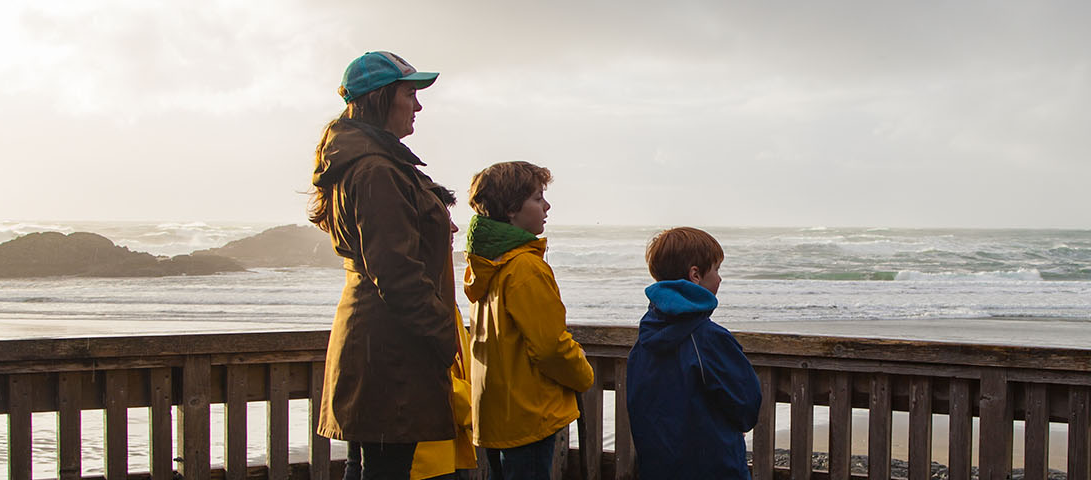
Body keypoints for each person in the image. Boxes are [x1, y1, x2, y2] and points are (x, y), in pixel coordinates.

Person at [309, 51, 472, 480]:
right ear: (381, 98)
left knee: (370, 465)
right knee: (386, 469)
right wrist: (444, 335)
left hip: (377, 338)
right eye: (409, 93)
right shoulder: (377, 169)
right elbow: (396, 273)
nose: (418, 105)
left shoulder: (370, 163)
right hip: (391, 348)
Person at [462, 161, 594, 480]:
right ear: (511, 210)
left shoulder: (485, 266)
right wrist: (583, 374)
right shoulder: (525, 268)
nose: (546, 206)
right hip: (529, 415)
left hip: (495, 414)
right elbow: (550, 346)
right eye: (537, 198)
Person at [624, 227, 763, 480]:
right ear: (695, 275)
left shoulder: (644, 339)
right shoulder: (709, 339)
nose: (720, 279)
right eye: (717, 270)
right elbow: (747, 405)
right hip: (715, 467)